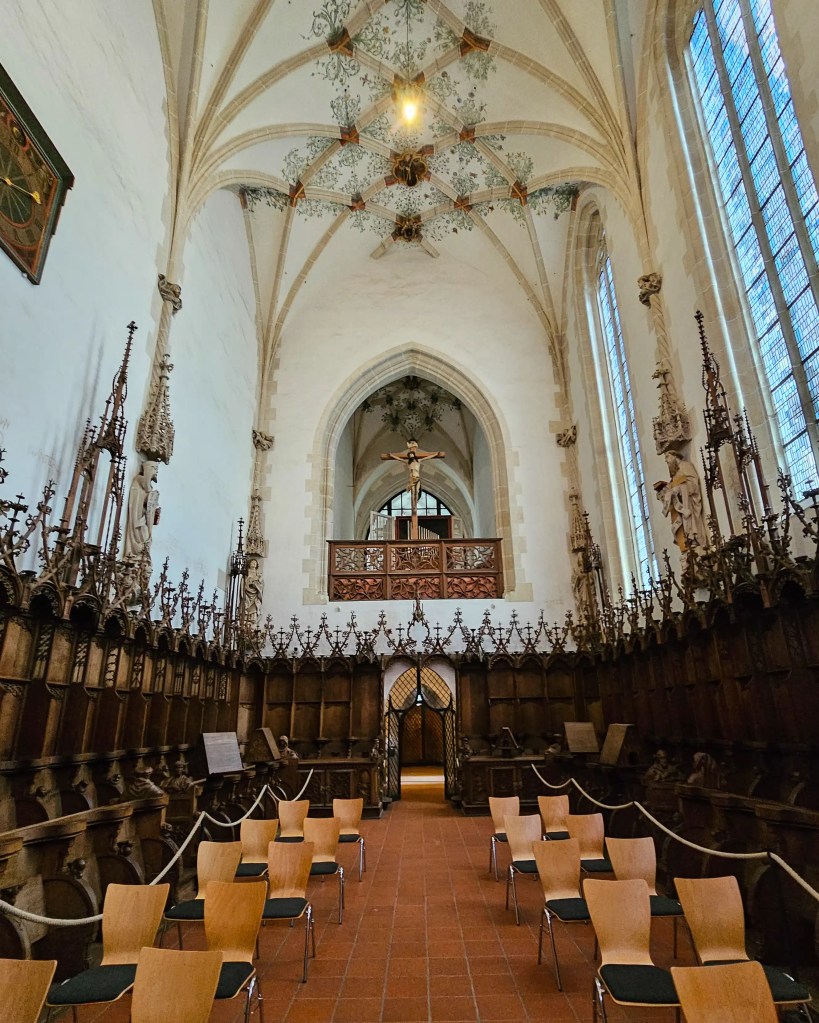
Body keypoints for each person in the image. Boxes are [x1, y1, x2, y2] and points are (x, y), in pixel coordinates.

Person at [653, 451, 707, 554]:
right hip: (680, 507)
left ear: (675, 456)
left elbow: (693, 485)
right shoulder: (675, 474)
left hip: (688, 503)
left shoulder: (685, 465)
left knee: (690, 523)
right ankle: (689, 541)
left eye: (668, 457)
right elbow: (673, 486)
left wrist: (680, 488)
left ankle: (693, 538)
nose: (666, 460)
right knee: (683, 525)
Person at [123, 460, 160, 562]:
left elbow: (149, 504)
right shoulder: (140, 480)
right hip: (138, 519)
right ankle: (137, 553)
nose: (156, 472)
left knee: (146, 536)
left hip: (142, 518)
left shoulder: (144, 483)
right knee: (143, 535)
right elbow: (146, 492)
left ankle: (141, 554)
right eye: (154, 469)